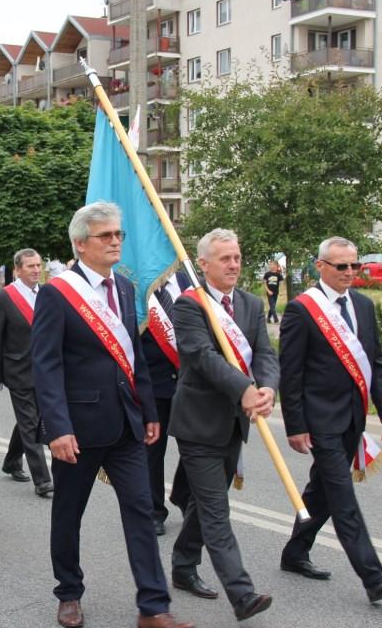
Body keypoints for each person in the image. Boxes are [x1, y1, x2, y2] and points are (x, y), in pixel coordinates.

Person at [32, 202, 193, 628]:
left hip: (126, 424)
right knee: (69, 512)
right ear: (81, 244)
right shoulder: (56, 292)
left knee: (142, 511)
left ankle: (153, 606)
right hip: (79, 430)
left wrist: (149, 407)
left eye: (118, 234)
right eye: (106, 236)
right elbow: (46, 366)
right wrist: (57, 428)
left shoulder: (123, 288)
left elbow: (133, 354)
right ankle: (69, 593)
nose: (116, 241)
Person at [279, 236, 382, 604]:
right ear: (321, 267)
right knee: (343, 497)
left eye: (355, 265)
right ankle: (373, 577)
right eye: (341, 266)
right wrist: (295, 425)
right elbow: (291, 373)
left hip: (353, 417)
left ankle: (295, 552)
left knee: (322, 493)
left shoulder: (363, 306)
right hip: (320, 420)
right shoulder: (302, 310)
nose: (350, 272)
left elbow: (375, 362)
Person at [168, 229, 276, 622]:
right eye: (225, 258)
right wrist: (244, 389)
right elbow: (201, 356)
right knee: (216, 509)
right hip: (198, 424)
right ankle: (242, 593)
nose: (234, 264)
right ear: (204, 264)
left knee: (202, 503)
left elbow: (265, 353)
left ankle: (182, 566)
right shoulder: (190, 305)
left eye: (237, 257)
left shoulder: (249, 303)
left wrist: (266, 389)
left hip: (235, 423)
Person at [0, 248, 52, 496]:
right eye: (30, 266)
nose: (36, 270)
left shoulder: (47, 293)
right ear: (17, 270)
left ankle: (12, 460)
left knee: (31, 420)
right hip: (18, 370)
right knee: (30, 422)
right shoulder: (4, 297)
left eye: (38, 265)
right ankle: (42, 480)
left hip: (44, 369)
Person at [140, 271, 191, 536]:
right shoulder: (140, 285)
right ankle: (153, 511)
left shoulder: (189, 280)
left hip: (191, 385)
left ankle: (182, 495)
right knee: (152, 452)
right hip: (153, 384)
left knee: (194, 449)